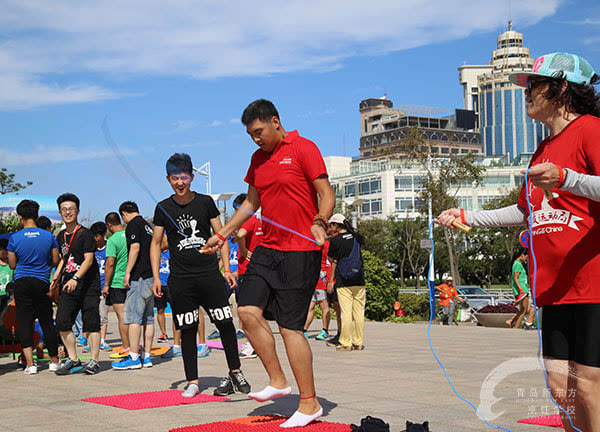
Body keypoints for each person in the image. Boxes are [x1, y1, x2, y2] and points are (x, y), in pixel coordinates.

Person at [437, 52, 600, 431]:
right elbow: (528, 211)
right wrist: (468, 217)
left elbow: (577, 185)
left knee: (588, 385)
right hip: (554, 287)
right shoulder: (542, 150)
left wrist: (566, 178)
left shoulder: (591, 130)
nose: (526, 93)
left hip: (592, 283)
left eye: (534, 85)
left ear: (561, 88)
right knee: (561, 386)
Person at [203, 99, 335, 428]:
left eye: (259, 132)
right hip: (267, 250)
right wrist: (223, 235)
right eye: (250, 135)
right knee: (246, 312)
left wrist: (320, 219)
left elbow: (326, 193)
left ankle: (310, 403)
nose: (256, 139)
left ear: (275, 122)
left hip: (300, 250)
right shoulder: (257, 159)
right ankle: (278, 381)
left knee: (291, 328)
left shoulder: (304, 148)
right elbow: (251, 202)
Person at [150, 152, 250, 398]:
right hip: (181, 280)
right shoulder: (163, 207)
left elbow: (222, 235)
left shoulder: (205, 202)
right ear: (168, 179)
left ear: (191, 177)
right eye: (174, 178)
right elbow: (155, 243)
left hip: (209, 276)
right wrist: (155, 277)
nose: (179, 182)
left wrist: (226, 268)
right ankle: (192, 381)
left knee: (225, 323)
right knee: (187, 329)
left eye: (183, 177)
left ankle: (235, 370)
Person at [6, 200, 61, 374]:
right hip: (41, 281)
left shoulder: (15, 237)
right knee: (46, 320)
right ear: (37, 216)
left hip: (22, 282)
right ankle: (54, 361)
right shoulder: (48, 236)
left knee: (24, 322)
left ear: (20, 217)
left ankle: (30, 364)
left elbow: (13, 264)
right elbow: (55, 260)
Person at [51, 193, 101, 375]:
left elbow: (88, 260)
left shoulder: (85, 234)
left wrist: (76, 278)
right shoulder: (60, 236)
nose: (68, 212)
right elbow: (64, 260)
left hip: (88, 284)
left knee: (91, 323)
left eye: (71, 209)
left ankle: (94, 360)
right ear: (60, 213)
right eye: (64, 210)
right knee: (62, 321)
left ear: (78, 211)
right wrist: (56, 278)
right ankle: (73, 358)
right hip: (69, 283)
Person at [111, 202, 155, 370]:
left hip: (140, 276)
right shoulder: (147, 225)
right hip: (151, 275)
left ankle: (134, 356)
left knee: (134, 318)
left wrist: (128, 272)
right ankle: (147, 356)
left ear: (124, 213)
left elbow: (135, 248)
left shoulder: (133, 225)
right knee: (148, 318)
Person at [326, 214, 366, 351]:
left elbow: (332, 260)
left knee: (346, 312)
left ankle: (346, 342)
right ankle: (358, 342)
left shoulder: (335, 240)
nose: (330, 227)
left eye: (331, 225)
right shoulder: (356, 237)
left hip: (344, 280)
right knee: (359, 313)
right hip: (359, 279)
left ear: (336, 225)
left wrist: (331, 280)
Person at [103, 212, 130, 358]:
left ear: (108, 225)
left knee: (122, 317)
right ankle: (133, 344)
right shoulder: (131, 236)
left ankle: (126, 346)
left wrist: (106, 284)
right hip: (131, 281)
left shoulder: (113, 240)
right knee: (133, 317)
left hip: (117, 282)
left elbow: (110, 263)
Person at [85, 222, 112, 351]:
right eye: (93, 236)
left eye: (97, 236)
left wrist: (107, 285)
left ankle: (102, 340)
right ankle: (91, 340)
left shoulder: (109, 248)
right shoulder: (90, 249)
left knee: (103, 315)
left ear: (103, 235)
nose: (95, 239)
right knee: (91, 314)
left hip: (103, 287)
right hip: (91, 287)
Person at [304, 239, 331, 341]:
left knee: (323, 304)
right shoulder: (310, 241)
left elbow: (329, 261)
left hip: (321, 277)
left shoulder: (325, 244)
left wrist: (327, 277)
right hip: (311, 278)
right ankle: (304, 329)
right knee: (311, 305)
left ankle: (325, 330)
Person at [507, 249, 534, 330]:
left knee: (528, 309)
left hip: (523, 289)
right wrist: (520, 289)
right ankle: (516, 327)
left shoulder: (518, 264)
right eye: (526, 256)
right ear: (522, 255)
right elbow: (515, 278)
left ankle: (511, 321)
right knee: (524, 310)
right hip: (521, 290)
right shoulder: (517, 264)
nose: (526, 259)